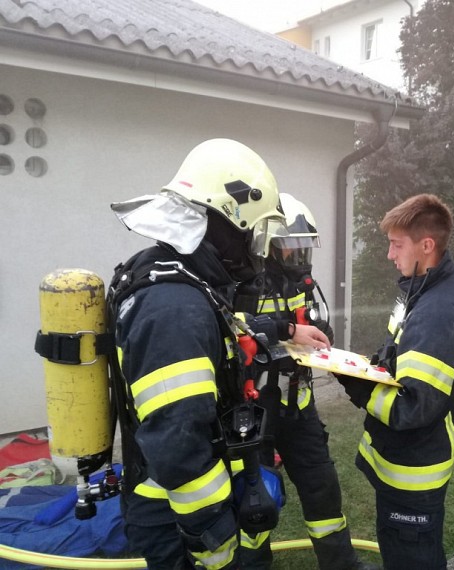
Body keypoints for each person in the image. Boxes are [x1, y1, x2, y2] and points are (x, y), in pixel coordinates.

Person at [108, 138, 330, 570]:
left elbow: (227, 333)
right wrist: (216, 545)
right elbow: (179, 448)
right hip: (181, 519)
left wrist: (285, 329)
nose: (258, 252)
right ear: (230, 223)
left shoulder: (186, 285)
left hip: (186, 508)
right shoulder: (174, 307)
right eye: (255, 234)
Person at [337, 193, 454, 570]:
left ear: (427, 245)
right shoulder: (432, 288)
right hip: (419, 459)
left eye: (396, 244)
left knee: (411, 557)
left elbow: (412, 408)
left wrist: (356, 383)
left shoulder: (437, 312)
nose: (390, 255)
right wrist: (372, 365)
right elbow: (400, 351)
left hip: (413, 472)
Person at [233, 193, 379, 570]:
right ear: (266, 246)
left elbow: (313, 323)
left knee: (322, 488)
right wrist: (285, 330)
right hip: (254, 413)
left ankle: (342, 564)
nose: (298, 255)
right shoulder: (242, 284)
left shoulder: (301, 284)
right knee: (255, 498)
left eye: (303, 246)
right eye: (290, 247)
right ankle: (252, 565)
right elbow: (232, 330)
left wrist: (320, 332)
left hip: (298, 408)